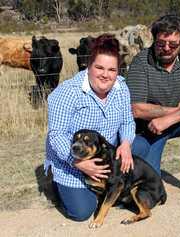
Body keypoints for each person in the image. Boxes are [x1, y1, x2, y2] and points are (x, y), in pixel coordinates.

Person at [45, 34, 135, 221]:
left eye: (112, 69)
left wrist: (126, 143)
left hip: (103, 152)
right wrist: (77, 162)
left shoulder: (121, 87)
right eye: (99, 67)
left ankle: (115, 187)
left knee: (140, 146)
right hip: (72, 159)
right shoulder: (67, 92)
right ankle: (58, 183)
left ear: (118, 70)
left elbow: (127, 121)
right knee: (82, 212)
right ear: (88, 66)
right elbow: (56, 135)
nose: (105, 74)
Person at [126, 15, 180, 198]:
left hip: (173, 122)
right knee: (150, 193)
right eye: (161, 43)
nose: (167, 48)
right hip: (148, 129)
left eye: (173, 45)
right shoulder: (141, 62)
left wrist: (168, 119)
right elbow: (136, 108)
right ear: (154, 40)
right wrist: (179, 109)